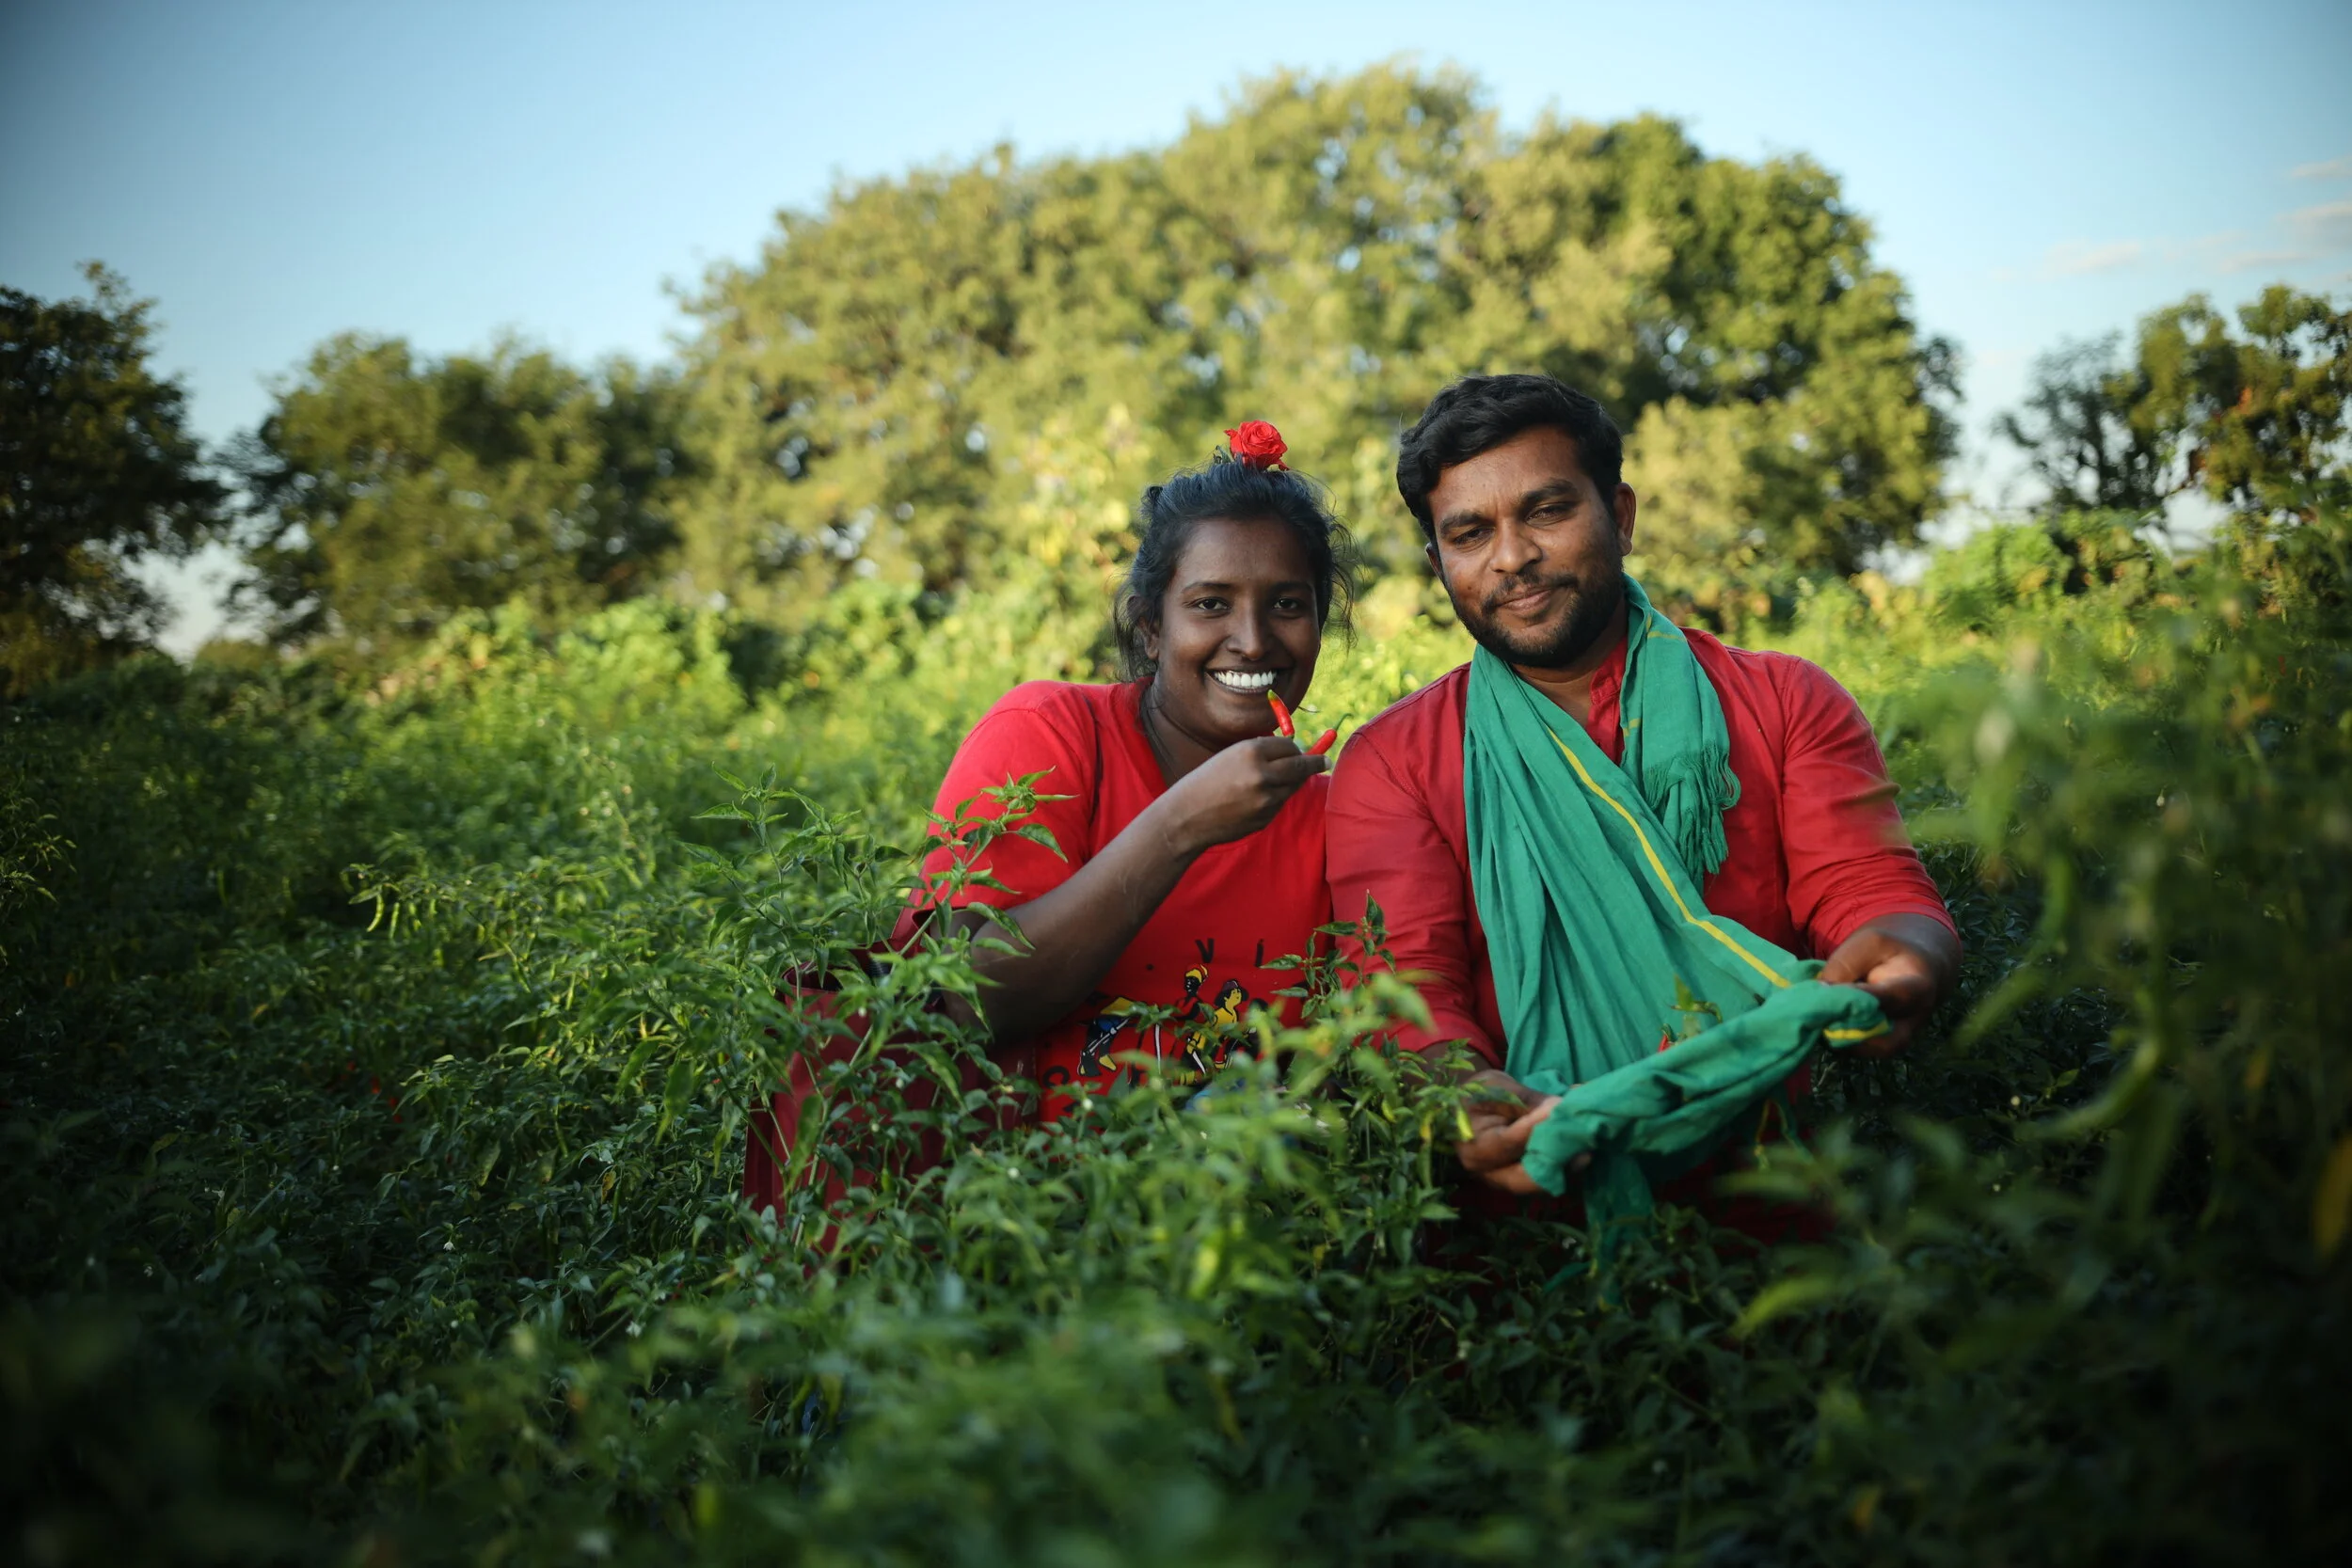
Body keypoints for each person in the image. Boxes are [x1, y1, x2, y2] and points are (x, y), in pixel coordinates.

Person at [1325, 374, 1959, 1212]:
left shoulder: (1782, 702)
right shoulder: (1397, 761)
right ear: (1438, 563)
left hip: (1775, 1198)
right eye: (1471, 533)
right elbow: (1404, 993)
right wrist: (1466, 1101)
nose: (1512, 557)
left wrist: (1911, 954)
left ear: (1619, 516)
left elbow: (1871, 889)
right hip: (1522, 1220)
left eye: (1547, 511)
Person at [900, 421, 1346, 1117]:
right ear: (1151, 627)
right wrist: (1177, 827)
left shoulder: (1335, 813)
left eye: (1288, 604)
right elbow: (958, 1004)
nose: (1254, 638)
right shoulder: (1048, 733)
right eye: (1210, 604)